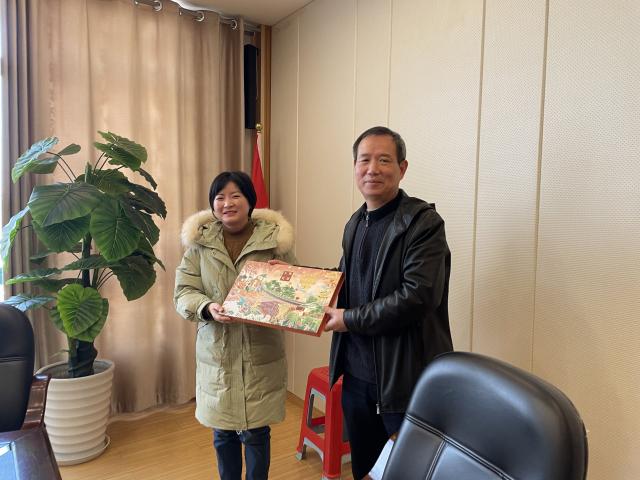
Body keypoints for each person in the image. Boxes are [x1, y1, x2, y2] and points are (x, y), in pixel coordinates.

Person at [324, 126, 453, 479]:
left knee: (408, 472)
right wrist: (290, 280)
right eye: (364, 160)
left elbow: (418, 297)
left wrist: (349, 319)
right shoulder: (355, 222)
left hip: (404, 382)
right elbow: (344, 279)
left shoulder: (422, 223)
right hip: (356, 379)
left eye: (384, 160)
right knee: (365, 470)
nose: (373, 169)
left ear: (402, 168)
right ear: (354, 167)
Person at [174, 171, 296, 480]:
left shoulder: (274, 241)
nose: (227, 203)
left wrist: (285, 277)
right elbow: (184, 292)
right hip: (218, 353)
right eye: (220, 197)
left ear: (250, 201)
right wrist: (206, 307)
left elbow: (295, 290)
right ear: (213, 204)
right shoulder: (199, 245)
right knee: (223, 433)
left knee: (256, 434)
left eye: (235, 196)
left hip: (260, 353)